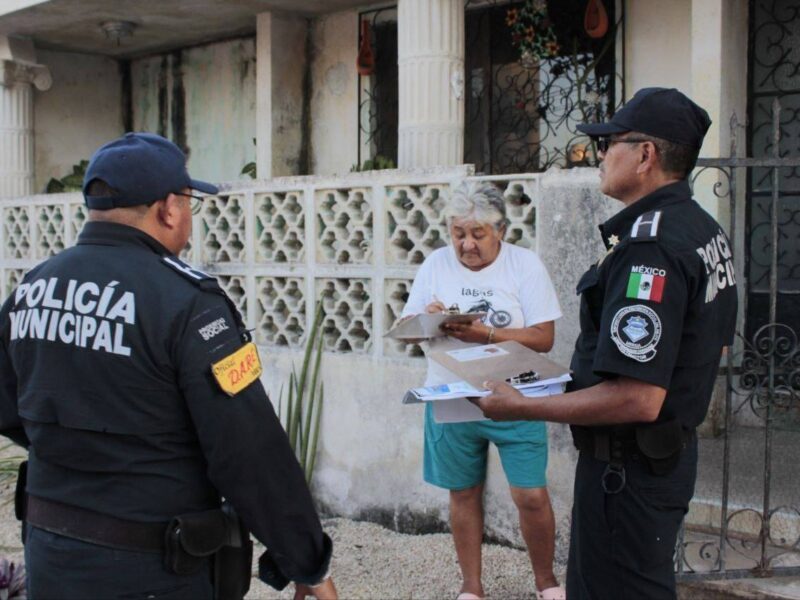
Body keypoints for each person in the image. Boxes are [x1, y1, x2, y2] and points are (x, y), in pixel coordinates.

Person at [0, 132, 337, 600]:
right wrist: (307, 562)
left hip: (52, 554)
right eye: (189, 202)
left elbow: (10, 409)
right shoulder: (188, 302)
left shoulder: (33, 287)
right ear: (168, 208)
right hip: (153, 568)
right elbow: (247, 449)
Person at [471, 88, 738, 599]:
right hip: (660, 462)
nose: (599, 155)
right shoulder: (701, 228)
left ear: (645, 155)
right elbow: (710, 347)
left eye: (611, 142)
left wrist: (524, 406)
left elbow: (639, 396)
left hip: (627, 473)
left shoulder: (651, 248)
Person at [400, 182, 565, 600]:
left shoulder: (524, 265)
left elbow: (544, 338)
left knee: (529, 494)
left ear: (501, 231)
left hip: (517, 397)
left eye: (478, 234)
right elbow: (407, 332)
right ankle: (471, 587)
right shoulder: (435, 264)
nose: (467, 245)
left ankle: (546, 582)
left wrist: (484, 332)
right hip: (452, 395)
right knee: (463, 492)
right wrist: (427, 318)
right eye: (459, 233)